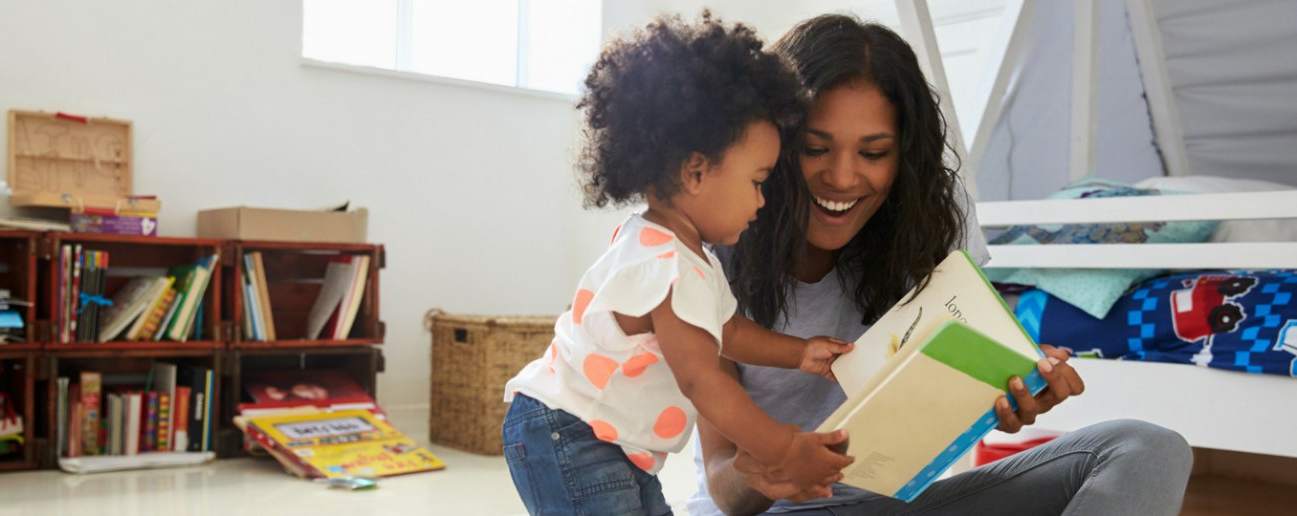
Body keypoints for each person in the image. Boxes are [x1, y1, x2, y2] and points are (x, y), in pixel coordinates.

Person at [688, 14, 1194, 516]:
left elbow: (951, 393)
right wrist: (769, 464)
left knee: (1146, 450)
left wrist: (1004, 392)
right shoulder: (713, 244)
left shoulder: (929, 217)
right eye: (814, 148)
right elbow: (724, 489)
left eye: (873, 153)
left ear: (904, 156)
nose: (842, 178)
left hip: (893, 507)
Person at [502, 13, 860, 516]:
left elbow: (727, 332)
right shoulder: (666, 264)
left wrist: (800, 353)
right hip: (573, 431)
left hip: (613, 439)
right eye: (757, 182)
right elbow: (703, 380)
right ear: (695, 173)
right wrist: (783, 449)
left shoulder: (683, 255)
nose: (763, 201)